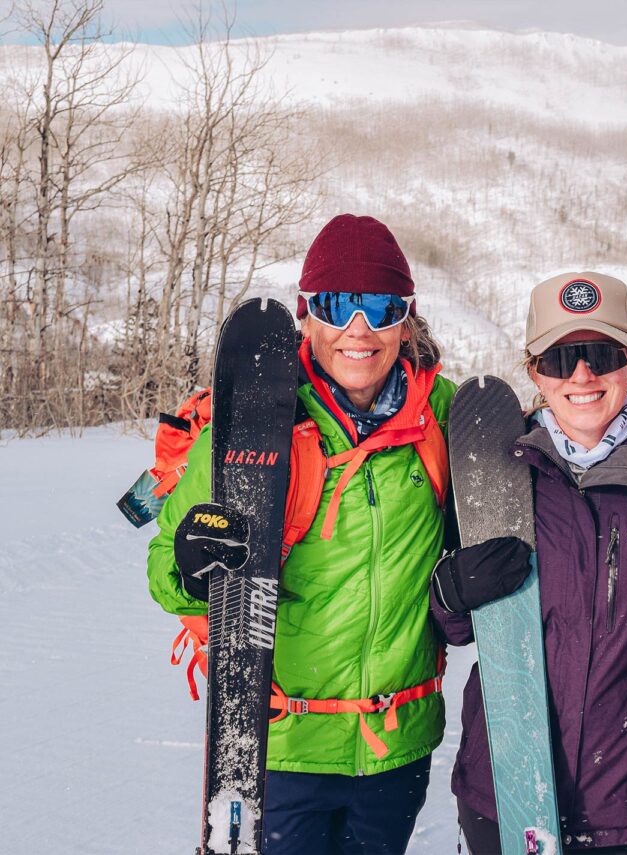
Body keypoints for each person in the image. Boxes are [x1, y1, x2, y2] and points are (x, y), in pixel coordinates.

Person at [147, 214, 456, 854]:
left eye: (381, 307)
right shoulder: (253, 421)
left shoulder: (444, 417)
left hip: (397, 747)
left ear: (407, 317)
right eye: (339, 306)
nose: (359, 330)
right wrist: (190, 566)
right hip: (277, 748)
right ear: (306, 314)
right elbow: (165, 578)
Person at [431, 272, 627, 854]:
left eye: (600, 354)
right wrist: (452, 591)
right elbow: (452, 627)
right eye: (560, 359)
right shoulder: (496, 471)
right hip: (505, 785)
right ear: (534, 371)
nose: (581, 375)